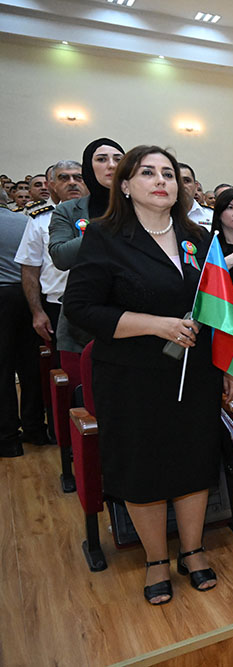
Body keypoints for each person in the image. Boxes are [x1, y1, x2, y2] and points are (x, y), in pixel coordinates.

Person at [63, 145, 233, 605]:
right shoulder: (104, 237)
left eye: (168, 173)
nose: (161, 180)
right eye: (148, 172)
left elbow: (217, 307)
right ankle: (156, 559)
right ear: (125, 185)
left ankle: (193, 550)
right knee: (142, 467)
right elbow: (81, 309)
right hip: (131, 376)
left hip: (194, 371)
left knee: (194, 461)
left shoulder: (198, 237)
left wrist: (225, 361)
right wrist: (154, 325)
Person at [49, 138, 125, 365]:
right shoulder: (68, 210)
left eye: (118, 159)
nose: (111, 165)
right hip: (83, 321)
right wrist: (105, 226)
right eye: (101, 159)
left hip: (135, 314)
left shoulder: (144, 207)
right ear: (88, 168)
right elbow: (61, 256)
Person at [16, 160, 85, 352]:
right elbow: (30, 268)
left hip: (98, 302)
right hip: (57, 304)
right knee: (64, 364)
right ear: (52, 185)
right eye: (64, 178)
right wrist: (37, 312)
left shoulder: (104, 215)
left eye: (78, 177)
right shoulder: (40, 220)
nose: (72, 182)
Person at [1, 204, 45, 457]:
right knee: (30, 366)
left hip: (2, 297)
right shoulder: (24, 221)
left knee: (3, 371)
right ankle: (35, 428)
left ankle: (7, 438)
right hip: (28, 296)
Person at [178, 163, 212, 229]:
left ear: (195, 186)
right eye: (177, 181)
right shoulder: (160, 215)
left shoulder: (211, 215)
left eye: (187, 181)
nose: (182, 186)